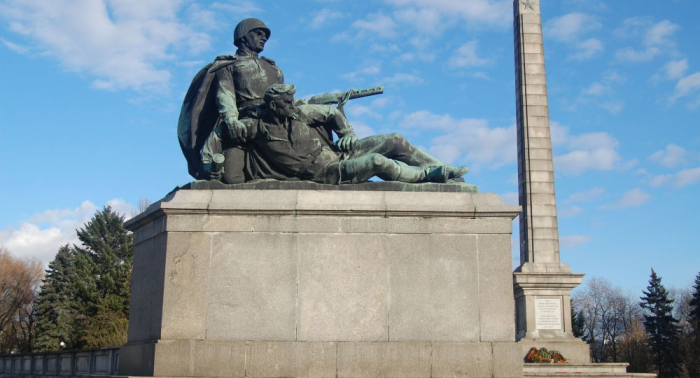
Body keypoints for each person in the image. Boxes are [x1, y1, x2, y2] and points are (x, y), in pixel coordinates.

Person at [203, 84, 469, 184]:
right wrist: (208, 161)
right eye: (286, 102)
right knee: (377, 162)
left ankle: (443, 168)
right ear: (272, 105)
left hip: (338, 152)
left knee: (394, 139)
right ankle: (429, 176)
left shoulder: (300, 112)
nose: (291, 104)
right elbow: (219, 133)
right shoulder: (255, 127)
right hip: (324, 172)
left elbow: (331, 113)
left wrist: (347, 132)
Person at [177, 18, 284, 182]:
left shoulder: (274, 69)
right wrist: (231, 120)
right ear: (243, 37)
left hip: (273, 124)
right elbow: (225, 94)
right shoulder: (228, 65)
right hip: (243, 124)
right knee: (230, 177)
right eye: (258, 33)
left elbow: (284, 98)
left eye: (265, 36)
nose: (263, 38)